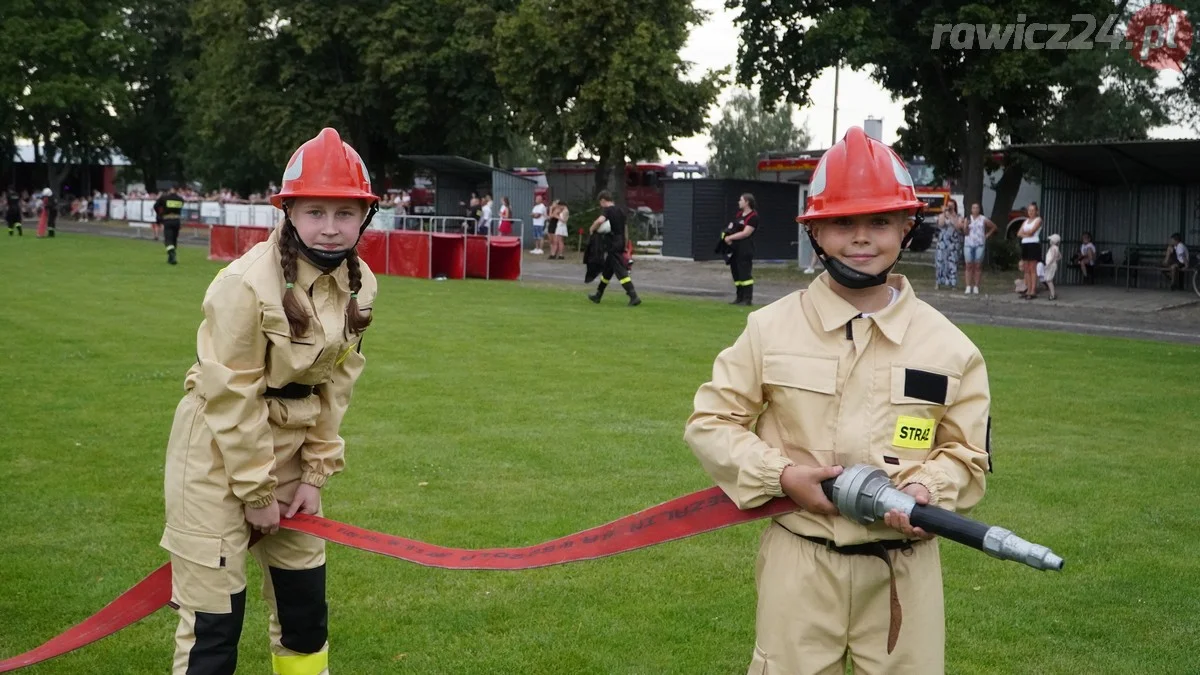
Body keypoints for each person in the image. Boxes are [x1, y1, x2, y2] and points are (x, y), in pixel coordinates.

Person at [685, 126, 991, 675]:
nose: (861, 237)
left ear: (906, 227)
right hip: (800, 561)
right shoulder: (769, 330)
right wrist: (781, 475)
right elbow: (711, 422)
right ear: (818, 234)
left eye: (879, 221)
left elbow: (968, 456)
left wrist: (928, 488)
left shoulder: (951, 348)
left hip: (905, 570)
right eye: (843, 222)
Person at [160, 128, 380, 675]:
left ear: (365, 218)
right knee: (215, 622)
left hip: (291, 451)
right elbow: (231, 394)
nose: (330, 228)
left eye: (345, 213)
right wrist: (256, 490)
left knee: (306, 610)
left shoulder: (361, 284)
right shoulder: (244, 283)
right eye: (315, 211)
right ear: (288, 214)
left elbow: (336, 383)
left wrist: (314, 473)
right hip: (216, 454)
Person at [587, 190, 641, 306]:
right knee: (607, 271)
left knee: (620, 271)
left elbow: (600, 221)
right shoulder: (621, 210)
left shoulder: (608, 210)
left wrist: (592, 229)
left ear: (603, 200)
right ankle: (598, 294)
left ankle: (633, 296)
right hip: (620, 241)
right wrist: (626, 244)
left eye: (600, 203)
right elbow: (625, 229)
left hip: (613, 243)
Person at [718, 193, 759, 305]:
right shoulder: (739, 214)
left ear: (747, 202)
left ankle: (747, 298)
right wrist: (726, 235)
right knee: (736, 273)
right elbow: (732, 227)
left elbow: (746, 233)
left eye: (741, 200)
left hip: (745, 248)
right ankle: (739, 297)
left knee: (744, 273)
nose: (739, 202)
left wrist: (730, 237)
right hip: (735, 248)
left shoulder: (753, 217)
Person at [959, 203, 997, 294]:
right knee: (968, 265)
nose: (975, 209)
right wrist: (965, 226)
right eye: (973, 208)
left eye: (977, 208)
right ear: (971, 209)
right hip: (968, 244)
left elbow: (994, 227)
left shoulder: (983, 219)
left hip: (979, 244)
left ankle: (976, 286)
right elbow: (965, 232)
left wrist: (987, 235)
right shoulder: (967, 219)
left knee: (977, 265)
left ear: (979, 209)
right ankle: (968, 286)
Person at [155, 186, 187, 265]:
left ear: (170, 190)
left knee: (168, 240)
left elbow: (156, 206)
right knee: (174, 239)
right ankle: (170, 258)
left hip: (168, 220)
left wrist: (160, 215)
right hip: (177, 221)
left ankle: (172, 254)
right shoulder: (180, 199)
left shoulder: (164, 198)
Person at [933, 200, 961, 290]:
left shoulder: (958, 216)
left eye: (951, 206)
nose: (949, 207)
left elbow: (958, 226)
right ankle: (938, 283)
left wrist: (950, 216)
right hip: (942, 242)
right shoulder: (942, 215)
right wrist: (944, 213)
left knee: (952, 262)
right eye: (948, 205)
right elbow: (940, 224)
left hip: (953, 242)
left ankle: (952, 283)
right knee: (940, 262)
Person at [1017, 203, 1043, 299]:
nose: (1031, 212)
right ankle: (1027, 289)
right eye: (1029, 210)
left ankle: (1033, 290)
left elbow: (1032, 232)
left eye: (1032, 210)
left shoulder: (1038, 220)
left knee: (1033, 268)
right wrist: (1026, 234)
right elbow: (1019, 233)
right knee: (1026, 268)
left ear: (1036, 211)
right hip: (1025, 244)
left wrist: (1026, 233)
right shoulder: (1026, 221)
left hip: (1033, 244)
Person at [1044, 233, 1061, 300]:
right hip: (1053, 265)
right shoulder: (1056, 248)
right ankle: (1052, 294)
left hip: (1050, 266)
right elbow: (1060, 256)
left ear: (1054, 241)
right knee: (1049, 280)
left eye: (1051, 240)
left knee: (1048, 280)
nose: (1050, 241)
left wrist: (1048, 264)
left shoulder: (1053, 248)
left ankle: (1052, 295)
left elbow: (1053, 257)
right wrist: (1055, 261)